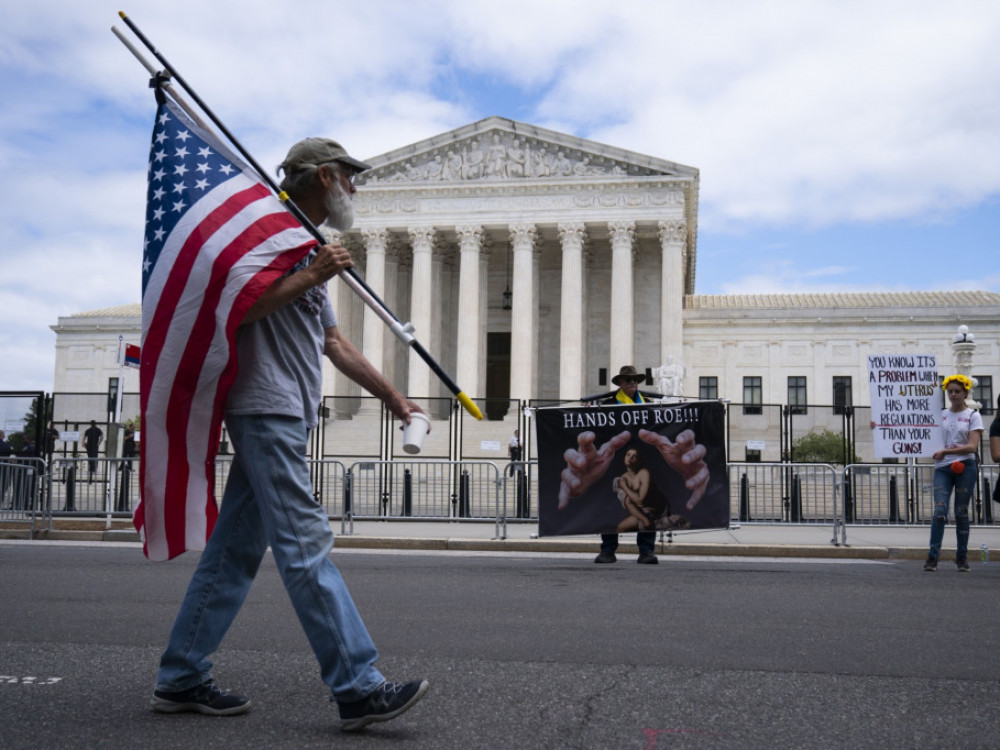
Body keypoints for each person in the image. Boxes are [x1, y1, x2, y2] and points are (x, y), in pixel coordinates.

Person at [151, 137, 429, 731]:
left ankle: (180, 674)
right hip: (262, 407)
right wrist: (314, 273)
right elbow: (235, 311)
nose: (355, 190)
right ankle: (358, 685)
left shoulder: (305, 246)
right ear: (325, 176)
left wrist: (395, 399)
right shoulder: (266, 239)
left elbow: (335, 344)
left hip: (289, 412)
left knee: (235, 554)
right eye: (351, 179)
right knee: (305, 544)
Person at [570, 365, 708, 564]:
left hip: (645, 463)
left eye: (635, 380)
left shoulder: (649, 404)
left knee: (648, 507)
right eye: (628, 380)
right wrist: (586, 413)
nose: (633, 383)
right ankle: (608, 550)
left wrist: (682, 410)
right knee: (609, 509)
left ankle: (646, 551)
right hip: (615, 464)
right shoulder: (607, 404)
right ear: (620, 383)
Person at [924, 374, 983, 573]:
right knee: (939, 511)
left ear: (966, 392)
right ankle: (932, 557)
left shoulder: (973, 416)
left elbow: (972, 447)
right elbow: (915, 431)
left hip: (965, 467)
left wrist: (946, 452)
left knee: (961, 512)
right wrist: (879, 426)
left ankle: (962, 557)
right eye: (950, 391)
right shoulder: (940, 415)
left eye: (958, 391)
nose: (954, 394)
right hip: (943, 468)